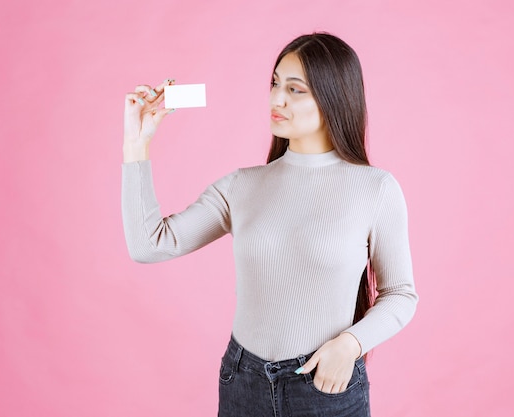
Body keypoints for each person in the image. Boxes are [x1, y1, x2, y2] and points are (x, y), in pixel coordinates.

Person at [122, 32, 418, 417]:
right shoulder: (242, 186)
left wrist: (350, 344)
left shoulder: (375, 188)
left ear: (334, 97)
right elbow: (149, 245)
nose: (276, 99)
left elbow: (400, 293)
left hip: (326, 384)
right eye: (275, 83)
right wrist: (136, 144)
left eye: (295, 90)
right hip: (242, 384)